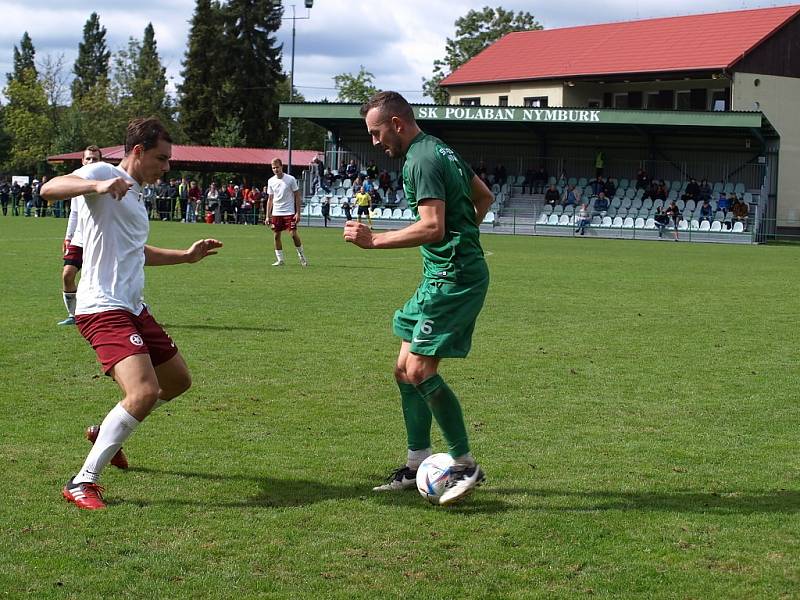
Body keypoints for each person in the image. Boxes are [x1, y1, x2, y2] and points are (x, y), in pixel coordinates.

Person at [40, 117, 223, 510]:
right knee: (143, 392)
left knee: (177, 381)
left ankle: (105, 431)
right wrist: (97, 184)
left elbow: (137, 253)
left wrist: (187, 257)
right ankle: (82, 481)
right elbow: (49, 188)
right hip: (102, 306)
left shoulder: (137, 196)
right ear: (137, 152)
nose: (167, 166)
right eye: (162, 157)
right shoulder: (105, 172)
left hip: (134, 307)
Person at [345, 91, 491, 505]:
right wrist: (464, 238)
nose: (375, 143)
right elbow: (485, 198)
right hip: (440, 274)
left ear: (396, 123)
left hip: (453, 279)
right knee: (403, 369)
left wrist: (374, 242)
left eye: (376, 133)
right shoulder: (442, 149)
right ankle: (417, 463)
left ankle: (464, 462)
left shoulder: (420, 160)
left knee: (421, 370)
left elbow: (432, 228)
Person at [58, 145, 103, 326]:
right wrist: (68, 237)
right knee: (67, 275)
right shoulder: (76, 182)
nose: (92, 162)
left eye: (95, 159)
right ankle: (73, 315)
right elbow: (74, 213)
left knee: (98, 280)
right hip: (79, 238)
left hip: (99, 238)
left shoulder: (105, 182)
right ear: (82, 161)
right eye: (89, 158)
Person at [266, 157, 307, 267]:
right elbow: (270, 199)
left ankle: (301, 256)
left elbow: (297, 195)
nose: (275, 169)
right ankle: (280, 260)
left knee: (293, 234)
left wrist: (298, 212)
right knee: (276, 236)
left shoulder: (290, 179)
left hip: (289, 212)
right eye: (273, 168)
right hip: (276, 212)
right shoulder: (271, 181)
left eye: (277, 167)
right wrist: (267, 215)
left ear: (281, 167)